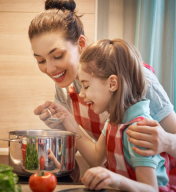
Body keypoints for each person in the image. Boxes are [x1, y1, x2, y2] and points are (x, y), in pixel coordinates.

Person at [29, 0, 176, 172]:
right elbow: (97, 156)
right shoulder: (65, 85)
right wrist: (63, 122)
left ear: (81, 44)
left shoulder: (139, 79)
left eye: (58, 56)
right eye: (41, 60)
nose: (50, 69)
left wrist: (167, 141)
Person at [64, 39, 175, 190]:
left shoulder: (138, 129)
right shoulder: (115, 120)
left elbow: (151, 189)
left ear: (112, 84)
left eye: (86, 86)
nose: (81, 94)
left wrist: (115, 180)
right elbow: (97, 158)